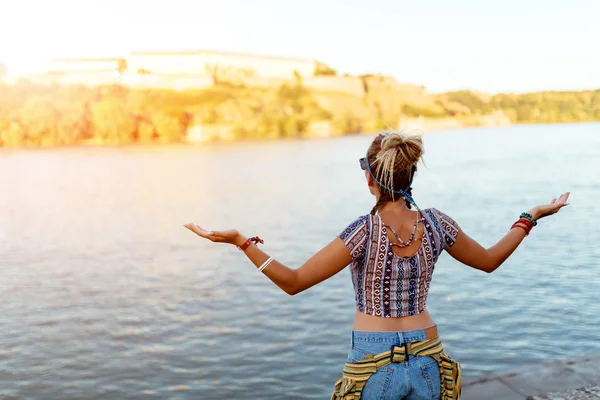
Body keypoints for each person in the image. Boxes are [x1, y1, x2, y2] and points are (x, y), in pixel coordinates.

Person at [184, 130, 570, 400]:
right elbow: (489, 261)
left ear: (371, 179)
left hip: (371, 359)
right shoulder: (437, 223)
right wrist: (530, 216)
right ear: (410, 176)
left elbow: (294, 281)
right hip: (429, 355)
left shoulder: (363, 231)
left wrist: (242, 242)